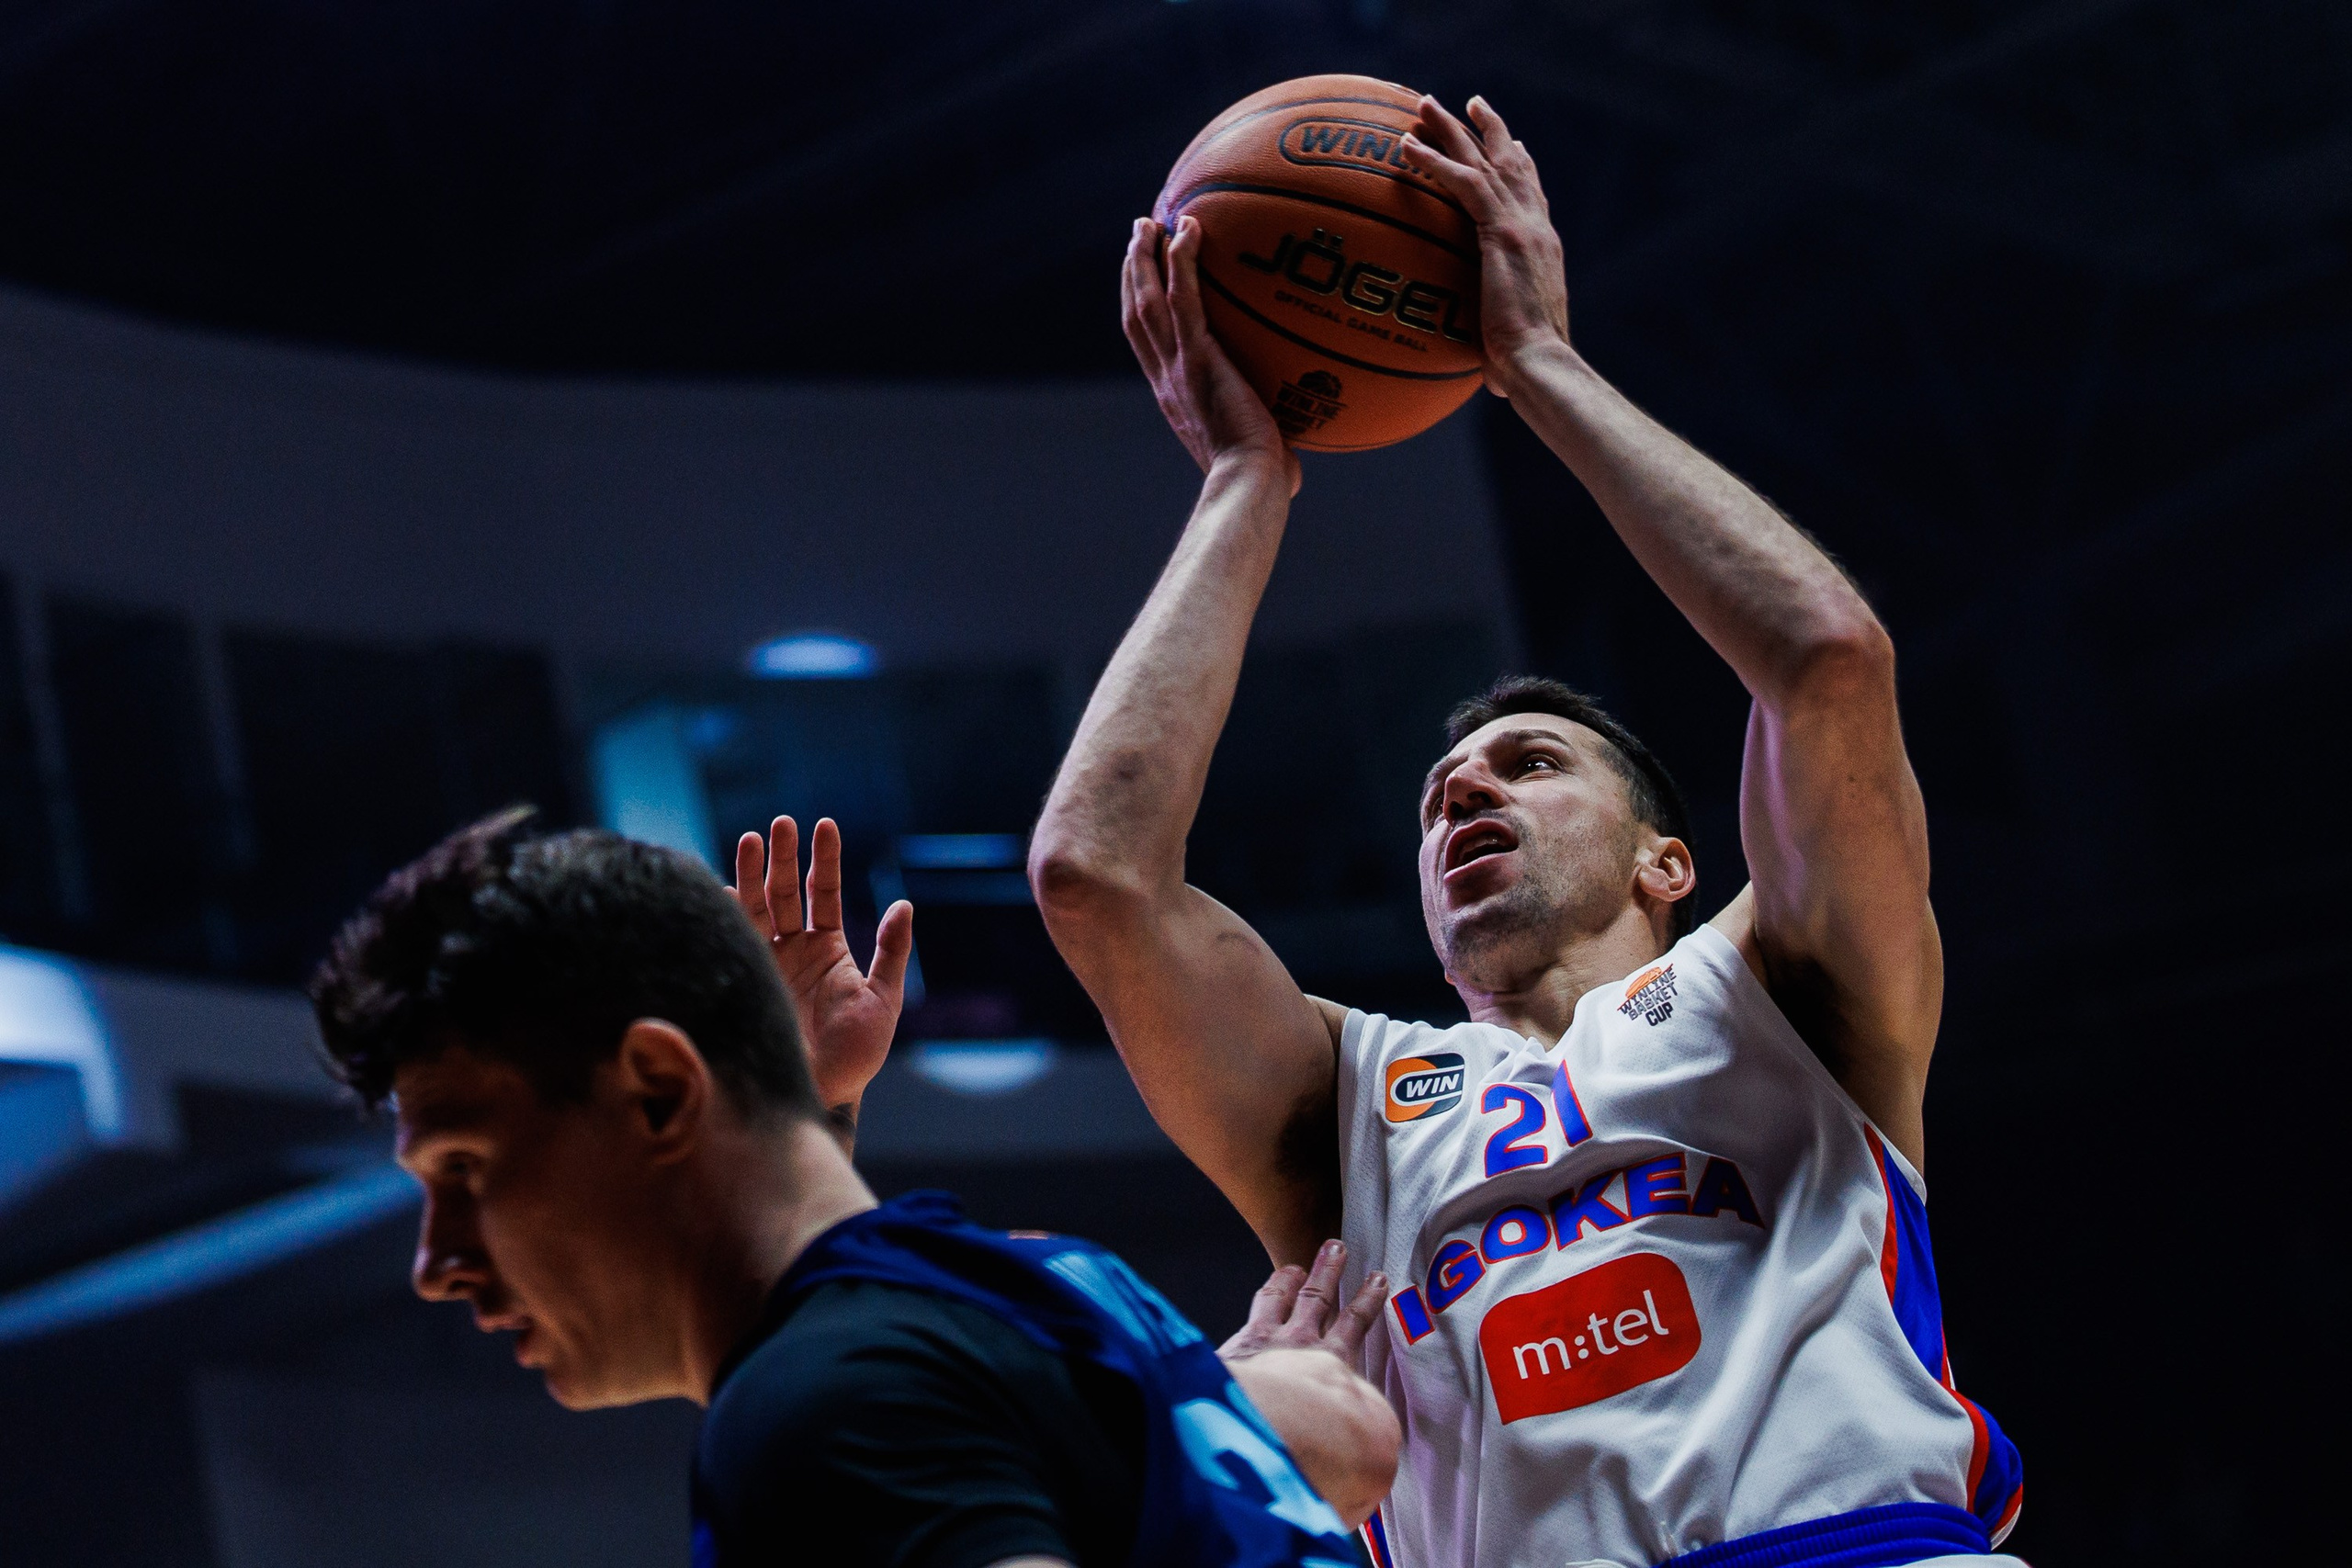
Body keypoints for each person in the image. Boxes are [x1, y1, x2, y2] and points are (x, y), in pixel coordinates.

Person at [1026, 93, 2024, 1568]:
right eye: (1441, 794)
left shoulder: (1791, 987)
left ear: (1666, 861)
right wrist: (1248, 484)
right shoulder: (1347, 1099)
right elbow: (1094, 876)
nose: (1466, 793)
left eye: (1531, 763)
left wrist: (1537, 365)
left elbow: (1825, 657)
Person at [308, 806, 1399, 1568]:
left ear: (654, 1092)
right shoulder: (1052, 1284)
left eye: (463, 1169)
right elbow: (1344, 1448)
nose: (435, 1263)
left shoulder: (818, 1413)